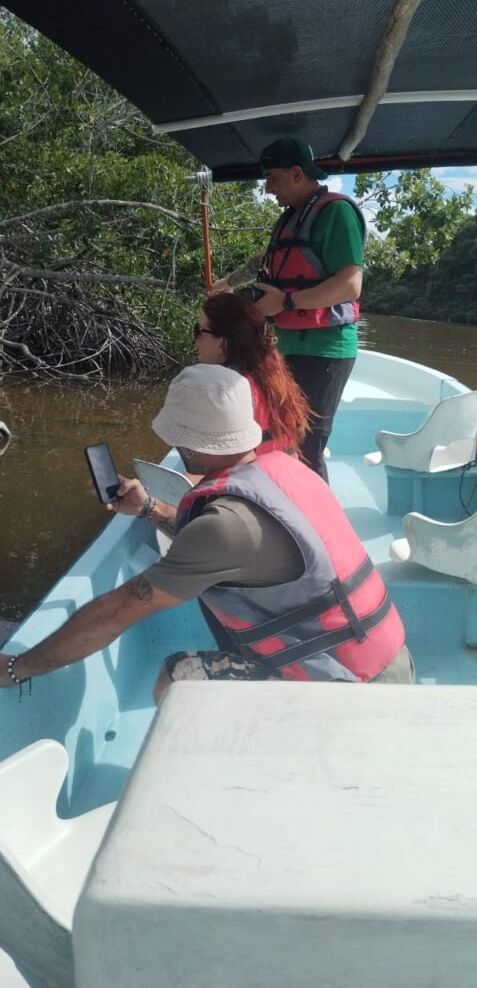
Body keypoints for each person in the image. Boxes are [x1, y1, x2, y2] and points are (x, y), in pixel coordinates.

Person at [0, 367, 414, 700]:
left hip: (346, 692)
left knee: (178, 677)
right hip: (390, 663)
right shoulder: (287, 469)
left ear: (185, 444)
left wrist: (19, 667)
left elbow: (119, 609)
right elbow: (237, 547)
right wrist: (148, 508)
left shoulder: (223, 525)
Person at [208, 134, 365, 483]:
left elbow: (350, 285)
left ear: (297, 173)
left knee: (308, 447)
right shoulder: (290, 218)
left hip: (326, 350)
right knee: (283, 437)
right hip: (291, 345)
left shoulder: (336, 212)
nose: (267, 189)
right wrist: (228, 283)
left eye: (272, 178)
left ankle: (316, 515)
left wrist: (288, 301)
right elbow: (264, 261)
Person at [194, 292, 310, 455]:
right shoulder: (272, 371)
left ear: (222, 343)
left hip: (253, 470)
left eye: (199, 330)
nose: (195, 338)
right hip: (281, 467)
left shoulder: (223, 391)